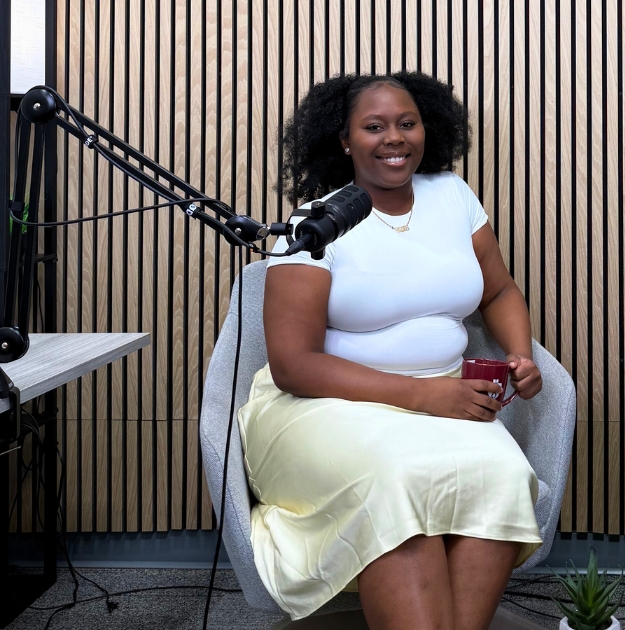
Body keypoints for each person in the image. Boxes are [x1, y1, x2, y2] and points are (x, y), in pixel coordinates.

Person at [238, 72, 544, 630]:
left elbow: (499, 289)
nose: (394, 138)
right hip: (323, 405)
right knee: (396, 480)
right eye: (374, 127)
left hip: (445, 397)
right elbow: (292, 365)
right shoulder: (315, 228)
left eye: (407, 123)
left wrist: (521, 355)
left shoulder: (452, 195)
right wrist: (424, 395)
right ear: (345, 141)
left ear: (428, 128)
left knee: (502, 473)